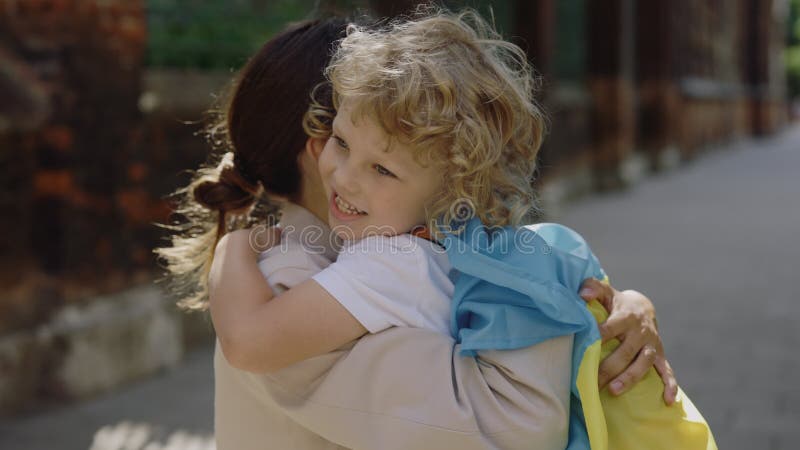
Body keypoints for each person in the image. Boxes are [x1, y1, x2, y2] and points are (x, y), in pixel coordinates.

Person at [156, 15, 673, 450]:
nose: (353, 173)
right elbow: (519, 423)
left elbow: (510, 272)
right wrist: (234, 248)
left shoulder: (384, 247)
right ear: (318, 143)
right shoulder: (290, 279)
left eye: (386, 162)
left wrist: (619, 308)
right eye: (343, 137)